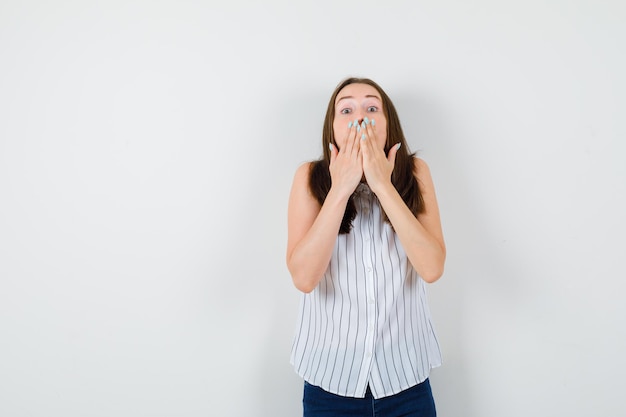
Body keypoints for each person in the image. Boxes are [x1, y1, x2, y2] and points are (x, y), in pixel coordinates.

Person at [286, 77, 446, 416]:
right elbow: (304, 278)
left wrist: (382, 185)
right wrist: (341, 187)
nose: (360, 118)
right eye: (347, 109)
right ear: (332, 129)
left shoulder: (416, 173)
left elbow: (432, 268)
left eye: (372, 108)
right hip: (329, 385)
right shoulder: (308, 178)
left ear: (390, 127)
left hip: (407, 383)